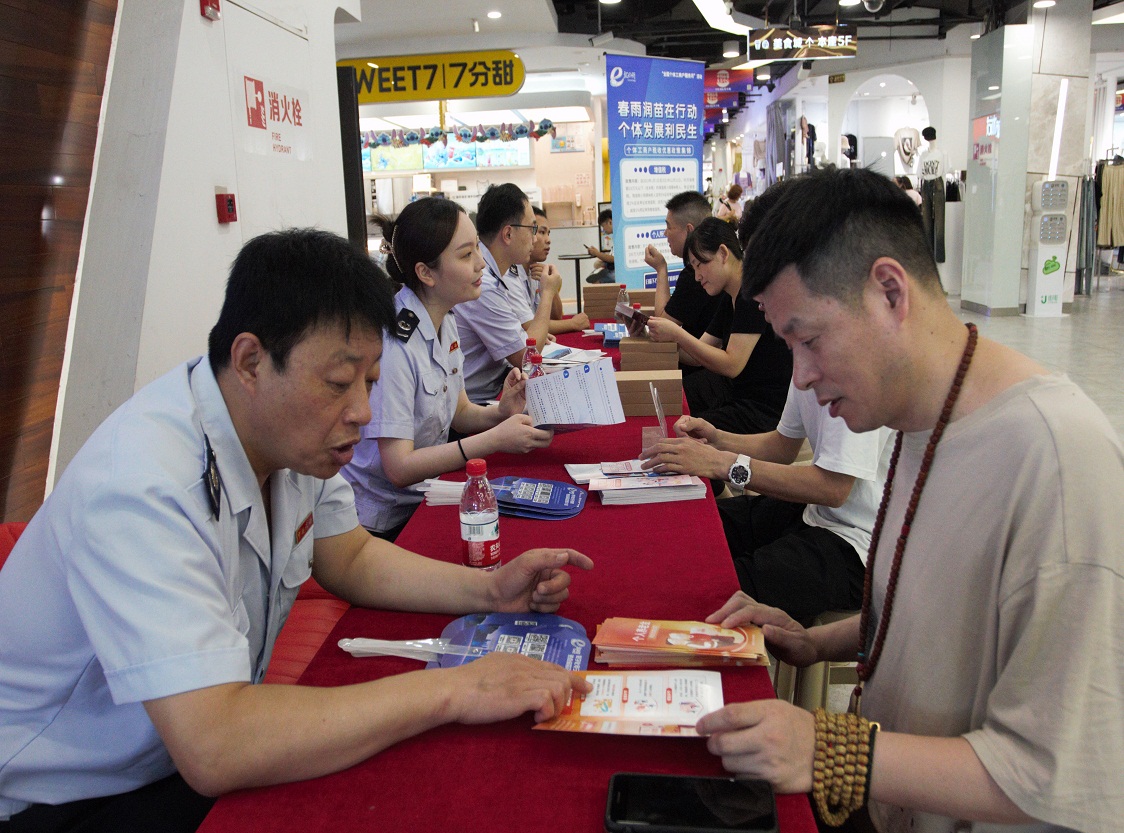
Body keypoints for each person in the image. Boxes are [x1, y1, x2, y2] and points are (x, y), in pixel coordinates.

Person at [0, 228, 593, 832]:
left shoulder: (281, 433)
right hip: (67, 798)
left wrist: (490, 591)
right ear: (251, 362)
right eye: (339, 383)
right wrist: (459, 690)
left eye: (370, 382)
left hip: (175, 753)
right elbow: (217, 745)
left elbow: (352, 557)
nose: (362, 412)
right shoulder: (142, 486)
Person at [695, 168, 1123, 833]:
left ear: (889, 291)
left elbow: (1057, 772)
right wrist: (812, 641)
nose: (801, 377)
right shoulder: (918, 421)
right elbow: (931, 613)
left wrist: (827, 749)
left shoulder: (1057, 459)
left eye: (809, 340)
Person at [341, 199, 553, 541]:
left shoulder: (445, 317)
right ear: (426, 273)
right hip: (382, 520)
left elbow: (460, 412)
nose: (481, 263)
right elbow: (398, 468)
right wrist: (493, 440)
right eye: (466, 254)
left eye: (477, 249)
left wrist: (502, 412)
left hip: (423, 496)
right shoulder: (395, 344)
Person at [640, 379, 891, 624]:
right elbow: (781, 447)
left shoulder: (860, 379)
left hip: (862, 547)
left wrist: (722, 463)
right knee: (684, 529)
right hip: (815, 511)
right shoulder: (809, 365)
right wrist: (717, 439)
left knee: (716, 590)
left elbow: (833, 489)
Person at [646, 217, 792, 435]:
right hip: (737, 394)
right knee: (675, 399)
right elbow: (697, 354)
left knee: (684, 429)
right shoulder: (729, 296)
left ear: (723, 253)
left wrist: (677, 334)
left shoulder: (751, 295)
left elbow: (732, 364)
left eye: (700, 265)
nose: (697, 277)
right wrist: (659, 335)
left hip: (762, 410)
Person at [455, 183, 562, 403]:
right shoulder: (484, 284)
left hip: (494, 389)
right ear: (508, 233)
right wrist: (548, 293)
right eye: (532, 229)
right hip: (477, 403)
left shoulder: (497, 274)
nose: (535, 239)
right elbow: (527, 358)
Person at [644, 191, 724, 359]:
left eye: (669, 227)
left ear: (689, 230)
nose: (665, 233)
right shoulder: (706, 270)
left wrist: (661, 269)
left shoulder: (694, 276)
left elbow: (662, 324)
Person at [524, 206, 589, 335]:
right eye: (541, 232)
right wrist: (573, 323)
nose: (548, 240)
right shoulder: (510, 275)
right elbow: (527, 325)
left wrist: (551, 289)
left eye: (548, 233)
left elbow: (556, 317)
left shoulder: (537, 270)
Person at [584, 208, 615, 283]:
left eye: (603, 226)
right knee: (597, 265)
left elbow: (613, 259)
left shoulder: (619, 237)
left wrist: (597, 254)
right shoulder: (616, 236)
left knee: (596, 280)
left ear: (610, 222)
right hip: (613, 269)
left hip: (616, 273)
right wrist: (598, 254)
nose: (603, 229)